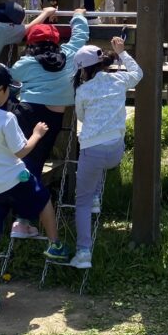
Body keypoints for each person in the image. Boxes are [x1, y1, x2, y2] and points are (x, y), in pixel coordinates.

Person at [0, 62, 71, 314]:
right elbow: (21, 151)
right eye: (8, 89)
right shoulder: (5, 118)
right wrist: (37, 133)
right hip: (14, 181)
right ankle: (54, 244)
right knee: (43, 199)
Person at [8, 8, 90, 239]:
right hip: (51, 117)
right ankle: (22, 220)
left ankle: (20, 217)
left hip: (26, 111)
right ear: (56, 41)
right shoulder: (70, 54)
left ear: (31, 43)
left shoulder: (26, 62)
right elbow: (80, 35)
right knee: (33, 163)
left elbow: (11, 76)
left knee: (24, 160)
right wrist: (78, 15)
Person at [69, 37, 143, 269]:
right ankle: (97, 197)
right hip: (115, 150)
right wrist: (121, 52)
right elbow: (138, 73)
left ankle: (83, 252)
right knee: (102, 160)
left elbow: (82, 117)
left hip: (92, 150)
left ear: (82, 70)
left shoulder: (82, 91)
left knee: (81, 202)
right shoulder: (118, 79)